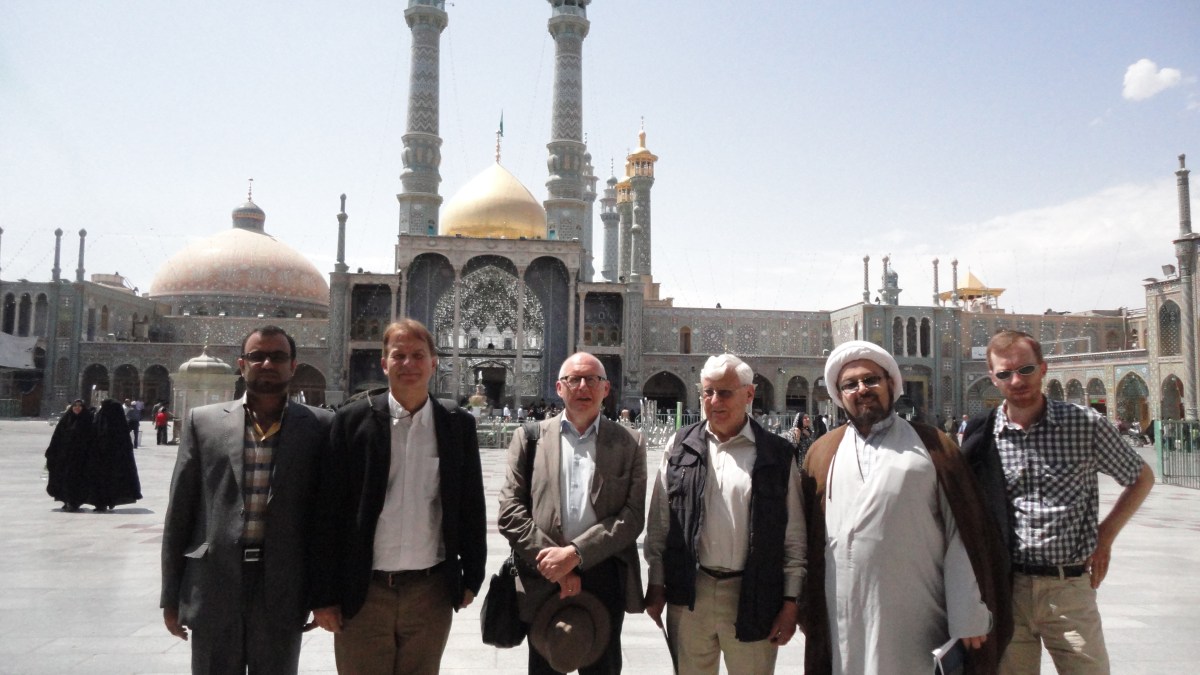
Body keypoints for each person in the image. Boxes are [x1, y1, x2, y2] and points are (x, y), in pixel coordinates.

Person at [800, 340, 1009, 675]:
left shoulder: (932, 446)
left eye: (871, 380)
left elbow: (962, 533)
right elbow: (807, 537)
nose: (862, 389)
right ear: (839, 395)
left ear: (891, 384)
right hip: (844, 611)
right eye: (850, 384)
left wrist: (967, 611)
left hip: (918, 609)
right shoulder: (823, 453)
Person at [962, 330, 1154, 674]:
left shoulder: (1083, 424)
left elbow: (1141, 478)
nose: (1016, 380)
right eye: (1005, 373)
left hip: (1069, 589)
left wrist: (1106, 535)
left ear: (1043, 368)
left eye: (1025, 369)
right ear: (992, 378)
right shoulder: (983, 434)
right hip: (1008, 589)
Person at [312, 318, 487, 675]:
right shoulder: (352, 421)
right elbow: (327, 512)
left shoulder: (455, 424)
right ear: (384, 363)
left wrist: (472, 575)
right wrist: (323, 595)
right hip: (364, 590)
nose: (409, 364)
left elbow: (470, 504)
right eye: (399, 355)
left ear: (434, 362)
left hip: (430, 591)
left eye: (418, 355)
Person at [160, 325, 335, 673]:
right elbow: (180, 513)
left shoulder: (320, 426)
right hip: (214, 582)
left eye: (278, 357)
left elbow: (328, 519)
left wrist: (324, 593)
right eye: (257, 356)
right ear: (241, 364)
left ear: (293, 366)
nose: (267, 364)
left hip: (283, 586)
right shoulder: (204, 422)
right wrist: (171, 595)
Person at [644, 354, 805, 675]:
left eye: (725, 392)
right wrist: (657, 583)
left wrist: (790, 602)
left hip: (753, 593)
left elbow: (794, 537)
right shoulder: (680, 446)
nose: (714, 401)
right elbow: (660, 523)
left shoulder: (776, 454)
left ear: (749, 394)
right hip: (691, 592)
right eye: (708, 392)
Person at [498, 352, 647, 674]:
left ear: (605, 388)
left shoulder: (629, 443)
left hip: (604, 574)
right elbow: (510, 511)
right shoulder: (530, 438)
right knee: (545, 665)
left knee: (603, 667)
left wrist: (575, 554)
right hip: (543, 572)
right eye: (573, 379)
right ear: (559, 388)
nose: (583, 386)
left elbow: (633, 516)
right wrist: (555, 563)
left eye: (592, 379)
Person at [86, 398, 142, 511]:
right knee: (110, 481)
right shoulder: (120, 423)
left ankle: (103, 502)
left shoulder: (100, 420)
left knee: (102, 480)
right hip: (110, 461)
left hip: (102, 459)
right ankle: (107, 501)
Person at [45, 399, 92, 512]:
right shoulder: (65, 421)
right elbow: (56, 438)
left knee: (77, 480)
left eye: (80, 406)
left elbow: (92, 438)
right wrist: (52, 452)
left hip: (81, 459)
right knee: (65, 479)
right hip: (65, 458)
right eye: (75, 406)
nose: (77, 408)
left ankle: (75, 501)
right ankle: (67, 500)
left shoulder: (88, 420)